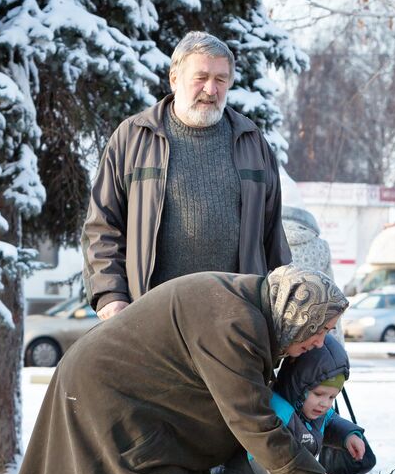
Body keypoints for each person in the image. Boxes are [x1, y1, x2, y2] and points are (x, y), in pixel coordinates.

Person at [13, 266, 364, 474]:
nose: (320, 343)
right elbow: (253, 420)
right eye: (321, 329)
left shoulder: (249, 309)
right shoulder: (235, 322)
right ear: (297, 315)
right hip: (107, 400)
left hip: (129, 402)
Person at [83, 31, 290, 321]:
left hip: (235, 320)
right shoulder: (133, 138)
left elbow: (273, 240)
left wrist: (284, 310)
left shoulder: (252, 142)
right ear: (174, 78)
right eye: (200, 77)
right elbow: (102, 227)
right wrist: (110, 296)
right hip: (152, 319)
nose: (211, 89)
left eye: (221, 79)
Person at [213, 333, 376, 474]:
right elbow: (262, 457)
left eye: (332, 397)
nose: (325, 403)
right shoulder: (275, 409)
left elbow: (330, 420)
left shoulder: (313, 409)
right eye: (318, 394)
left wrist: (348, 435)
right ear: (298, 385)